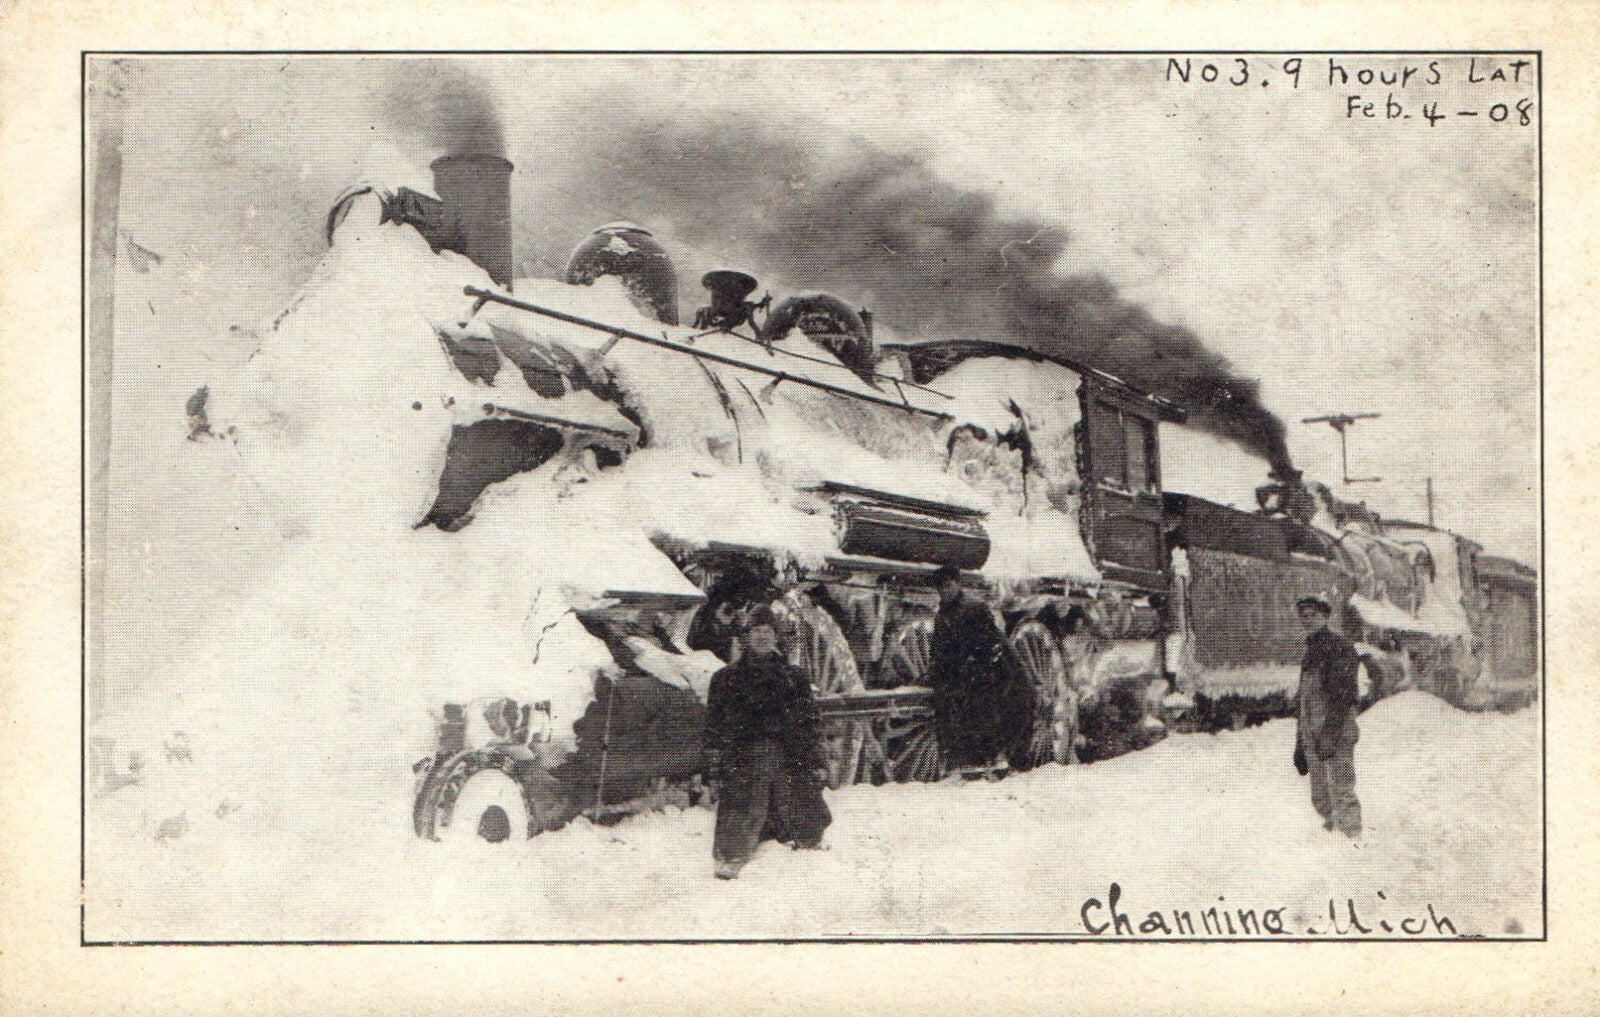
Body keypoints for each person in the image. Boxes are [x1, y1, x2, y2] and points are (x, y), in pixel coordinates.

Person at [702, 606, 832, 880]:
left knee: (802, 815)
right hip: (743, 759)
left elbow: (809, 723)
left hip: (788, 756)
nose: (762, 636)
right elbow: (714, 729)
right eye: (756, 631)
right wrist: (713, 771)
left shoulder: (794, 678)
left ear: (776, 637)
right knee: (740, 809)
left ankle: (800, 854)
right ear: (746, 637)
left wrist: (818, 761)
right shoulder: (725, 679)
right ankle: (732, 858)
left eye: (768, 631)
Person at [927, 564, 1035, 774]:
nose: (945, 591)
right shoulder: (942, 614)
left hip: (993, 664)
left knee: (986, 705)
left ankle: (993, 756)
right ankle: (970, 757)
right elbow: (939, 646)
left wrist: (971, 664)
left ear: (958, 584)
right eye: (941, 588)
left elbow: (989, 641)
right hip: (967, 666)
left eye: (949, 586)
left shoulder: (974, 607)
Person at [1293, 594, 1363, 838]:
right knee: (1320, 795)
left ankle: (1352, 839)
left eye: (1313, 615)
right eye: (1303, 616)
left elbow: (1343, 697)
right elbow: (1304, 701)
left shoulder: (1339, 647)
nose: (1307, 620)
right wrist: (1300, 744)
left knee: (1341, 789)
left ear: (1325, 617)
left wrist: (1330, 735)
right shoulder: (1310, 652)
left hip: (1337, 732)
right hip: (1312, 734)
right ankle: (1334, 833)